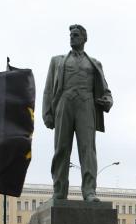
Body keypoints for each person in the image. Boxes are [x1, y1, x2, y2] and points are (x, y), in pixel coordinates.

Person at [42, 24, 113, 203]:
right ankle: (59, 191)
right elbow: (48, 90)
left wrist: (108, 100)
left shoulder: (94, 63)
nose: (72, 37)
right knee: (61, 149)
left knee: (88, 150)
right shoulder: (57, 61)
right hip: (64, 104)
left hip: (86, 105)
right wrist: (47, 113)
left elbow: (105, 90)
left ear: (84, 39)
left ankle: (89, 191)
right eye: (71, 35)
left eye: (75, 35)